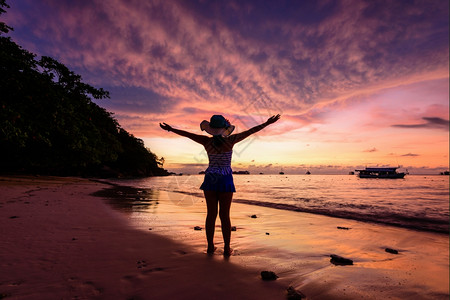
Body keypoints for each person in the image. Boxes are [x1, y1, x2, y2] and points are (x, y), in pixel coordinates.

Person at [160, 114, 280, 256]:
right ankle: (227, 248)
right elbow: (251, 131)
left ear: (210, 129)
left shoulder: (206, 141)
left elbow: (188, 135)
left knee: (211, 215)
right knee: (225, 216)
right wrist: (267, 123)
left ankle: (211, 247)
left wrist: (171, 129)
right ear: (224, 128)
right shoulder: (231, 140)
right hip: (225, 179)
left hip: (210, 178)